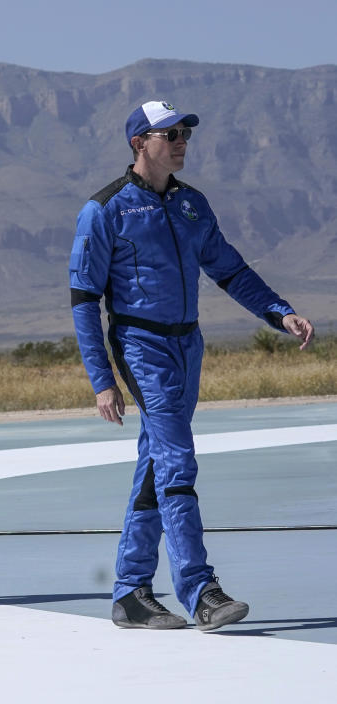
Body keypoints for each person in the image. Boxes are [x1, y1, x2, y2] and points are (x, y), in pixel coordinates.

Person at [69, 101, 314, 632]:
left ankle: (131, 592)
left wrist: (281, 312)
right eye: (171, 134)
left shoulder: (191, 205)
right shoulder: (105, 210)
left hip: (188, 346)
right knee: (178, 461)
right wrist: (101, 380)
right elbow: (84, 299)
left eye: (185, 133)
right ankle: (199, 589)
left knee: (157, 463)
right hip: (141, 346)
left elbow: (229, 268)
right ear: (140, 143)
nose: (182, 141)